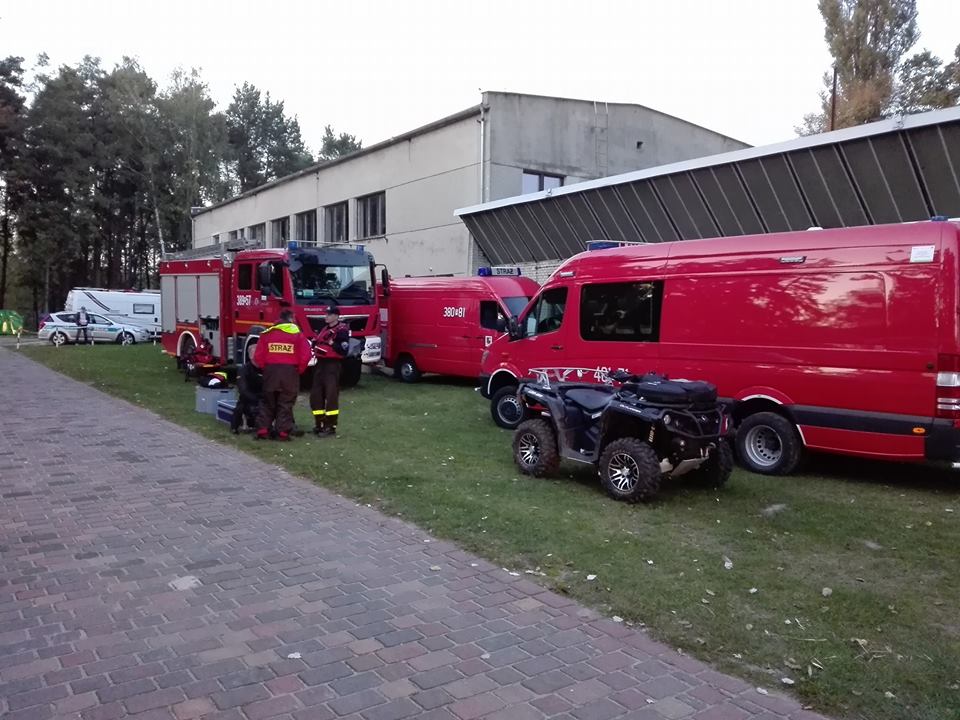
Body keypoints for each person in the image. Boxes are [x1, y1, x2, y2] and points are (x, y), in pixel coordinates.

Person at [252, 310, 311, 441]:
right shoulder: (297, 335)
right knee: (286, 402)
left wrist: (266, 368)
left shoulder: (267, 334)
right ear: (291, 319)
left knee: (267, 401)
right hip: (289, 372)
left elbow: (258, 356)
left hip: (270, 372)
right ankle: (283, 432)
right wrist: (299, 369)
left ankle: (263, 430)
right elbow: (306, 355)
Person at [310, 307, 350, 437]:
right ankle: (319, 423)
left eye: (329, 314)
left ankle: (330, 426)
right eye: (326, 314)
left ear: (336, 316)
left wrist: (332, 344)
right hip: (320, 364)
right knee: (316, 395)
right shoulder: (324, 329)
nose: (326, 316)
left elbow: (343, 350)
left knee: (331, 395)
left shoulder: (342, 331)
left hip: (332, 365)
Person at [231, 346, 263, 434]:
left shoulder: (266, 369)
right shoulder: (244, 370)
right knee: (240, 407)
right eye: (256, 353)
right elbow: (243, 390)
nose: (259, 355)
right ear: (250, 356)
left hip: (263, 398)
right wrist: (256, 400)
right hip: (248, 398)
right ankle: (235, 427)